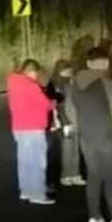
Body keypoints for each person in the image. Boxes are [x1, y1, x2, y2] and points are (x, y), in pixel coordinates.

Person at [64, 47, 112, 222]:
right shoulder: (108, 84)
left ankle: (95, 218)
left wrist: (82, 131)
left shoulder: (74, 85)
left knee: (93, 178)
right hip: (110, 139)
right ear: (106, 64)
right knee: (111, 180)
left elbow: (70, 112)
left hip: (87, 140)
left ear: (88, 63)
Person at [6, 59, 56, 205]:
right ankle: (37, 194)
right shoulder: (31, 85)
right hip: (33, 129)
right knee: (37, 162)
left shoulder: (13, 83)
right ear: (31, 71)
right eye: (36, 72)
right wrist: (54, 102)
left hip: (19, 128)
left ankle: (25, 190)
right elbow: (45, 104)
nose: (37, 76)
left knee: (25, 162)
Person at [48, 59, 86, 187]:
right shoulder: (56, 84)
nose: (70, 71)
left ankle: (75, 174)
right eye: (67, 69)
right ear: (61, 70)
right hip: (66, 120)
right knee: (68, 148)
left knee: (75, 147)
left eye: (70, 69)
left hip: (76, 119)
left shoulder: (73, 82)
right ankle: (66, 175)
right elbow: (55, 103)